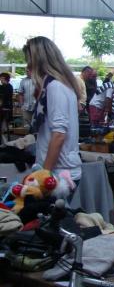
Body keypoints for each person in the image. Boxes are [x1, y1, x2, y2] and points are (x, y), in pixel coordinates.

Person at [22, 36, 82, 182]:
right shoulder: (59, 85)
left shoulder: (55, 87)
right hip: (58, 170)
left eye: (29, 60)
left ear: (38, 60)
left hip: (59, 173)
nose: (28, 65)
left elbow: (59, 134)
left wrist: (44, 175)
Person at [0, 72, 14, 141]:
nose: (0, 80)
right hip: (4, 108)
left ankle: (4, 141)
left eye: (1, 78)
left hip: (6, 108)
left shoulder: (7, 87)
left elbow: (5, 97)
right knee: (3, 125)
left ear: (4, 78)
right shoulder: (4, 86)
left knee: (4, 125)